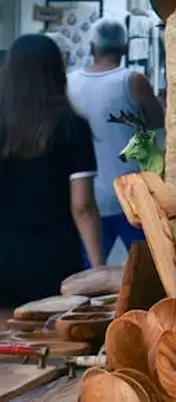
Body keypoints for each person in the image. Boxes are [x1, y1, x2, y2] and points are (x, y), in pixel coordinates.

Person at [0, 34, 104, 306]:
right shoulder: (72, 127)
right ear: (56, 71)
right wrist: (97, 267)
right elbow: (82, 206)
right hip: (53, 256)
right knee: (52, 340)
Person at [67, 20, 165, 263]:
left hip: (84, 194)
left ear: (92, 48)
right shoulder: (132, 81)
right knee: (149, 270)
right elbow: (158, 122)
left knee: (87, 276)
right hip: (130, 196)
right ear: (124, 49)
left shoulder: (68, 82)